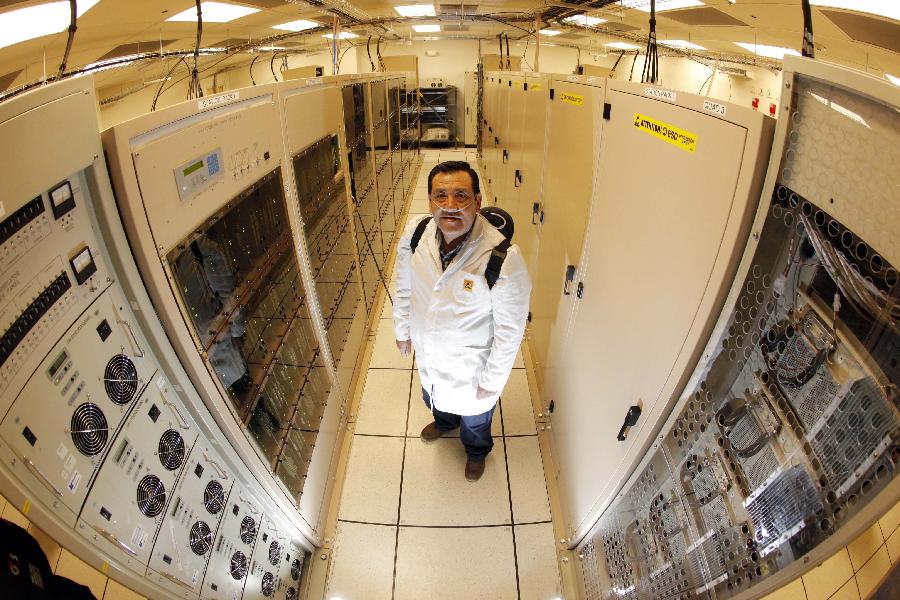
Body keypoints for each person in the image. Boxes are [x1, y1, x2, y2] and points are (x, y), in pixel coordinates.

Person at [392, 161, 532, 481]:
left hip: (473, 370)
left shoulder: (503, 258)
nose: (450, 206)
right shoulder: (416, 233)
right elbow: (404, 283)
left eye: (461, 196)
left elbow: (510, 332)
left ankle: (476, 451)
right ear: (429, 201)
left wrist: (492, 382)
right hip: (429, 355)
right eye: (440, 196)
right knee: (433, 397)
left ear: (478, 201)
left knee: (476, 419)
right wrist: (402, 330)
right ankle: (444, 422)